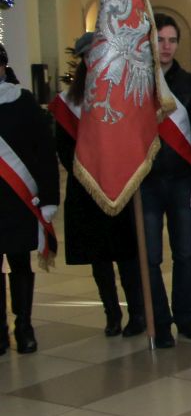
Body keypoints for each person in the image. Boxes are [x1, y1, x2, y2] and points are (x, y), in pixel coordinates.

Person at [52, 33, 151, 342]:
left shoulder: (122, 94)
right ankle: (112, 314)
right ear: (83, 61)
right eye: (88, 56)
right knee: (99, 257)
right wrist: (90, 172)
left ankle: (137, 313)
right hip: (87, 188)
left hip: (121, 185)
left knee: (128, 254)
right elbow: (63, 148)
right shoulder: (70, 102)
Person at [140, 14, 191, 343]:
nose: (166, 47)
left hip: (183, 180)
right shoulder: (136, 84)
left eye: (172, 40)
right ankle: (160, 322)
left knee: (185, 254)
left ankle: (184, 317)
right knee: (151, 257)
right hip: (146, 183)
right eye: (160, 40)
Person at [0, 42, 58, 354]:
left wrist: (49, 198)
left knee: (20, 262)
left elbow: (45, 151)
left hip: (18, 200)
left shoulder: (23, 101)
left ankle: (24, 327)